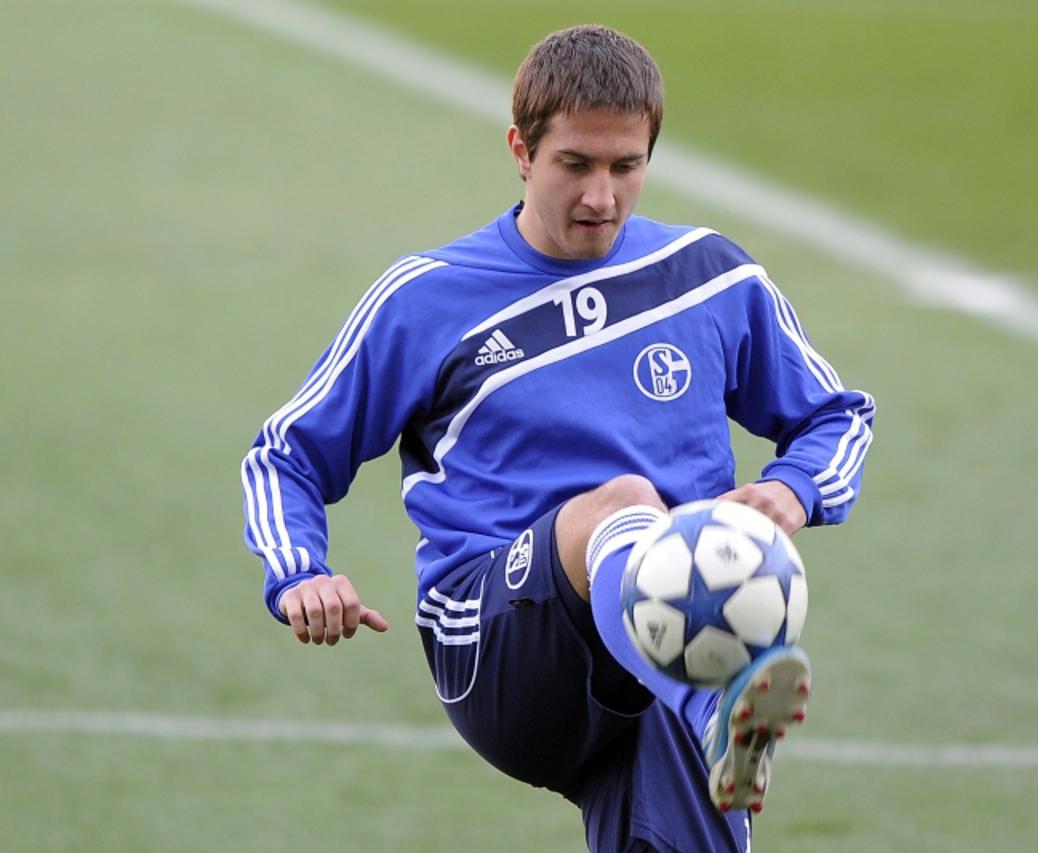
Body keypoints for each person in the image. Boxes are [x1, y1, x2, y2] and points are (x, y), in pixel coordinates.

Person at [240, 23, 874, 853]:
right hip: (497, 644)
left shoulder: (711, 275)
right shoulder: (426, 298)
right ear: (521, 150)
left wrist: (792, 488)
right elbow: (285, 452)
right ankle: (715, 700)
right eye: (575, 164)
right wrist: (299, 574)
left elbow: (839, 414)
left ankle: (704, 701)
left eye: (626, 166)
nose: (601, 197)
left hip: (659, 647)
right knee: (623, 504)